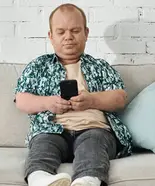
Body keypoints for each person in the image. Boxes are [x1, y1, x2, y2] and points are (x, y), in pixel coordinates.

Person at [13, 3, 132, 186]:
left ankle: (86, 181)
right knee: (42, 146)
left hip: (93, 128)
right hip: (51, 129)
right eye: (61, 32)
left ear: (86, 33)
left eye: (75, 31)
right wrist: (48, 103)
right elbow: (21, 100)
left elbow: (120, 97)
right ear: (51, 37)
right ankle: (40, 180)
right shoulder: (38, 66)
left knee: (94, 145)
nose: (68, 37)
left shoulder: (99, 66)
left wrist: (91, 100)